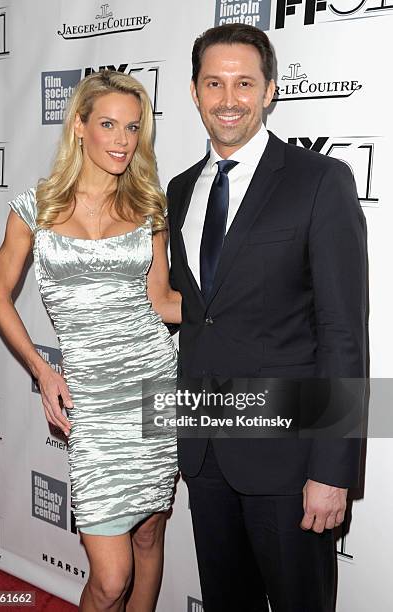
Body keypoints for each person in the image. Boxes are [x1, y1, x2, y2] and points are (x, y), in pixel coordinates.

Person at [166, 24, 367, 612]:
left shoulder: (318, 180)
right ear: (195, 91)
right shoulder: (179, 191)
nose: (229, 99)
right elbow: (197, 314)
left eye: (244, 83)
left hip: (289, 458)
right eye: (214, 84)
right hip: (203, 448)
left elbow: (343, 334)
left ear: (271, 90)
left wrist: (333, 468)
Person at [0, 70, 181, 612]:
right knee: (110, 576)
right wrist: (42, 371)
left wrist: (242, 306)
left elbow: (164, 301)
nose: (123, 140)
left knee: (148, 536)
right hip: (91, 401)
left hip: (154, 388)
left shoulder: (149, 207)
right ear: (79, 127)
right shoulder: (36, 208)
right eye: (108, 125)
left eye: (133, 128)